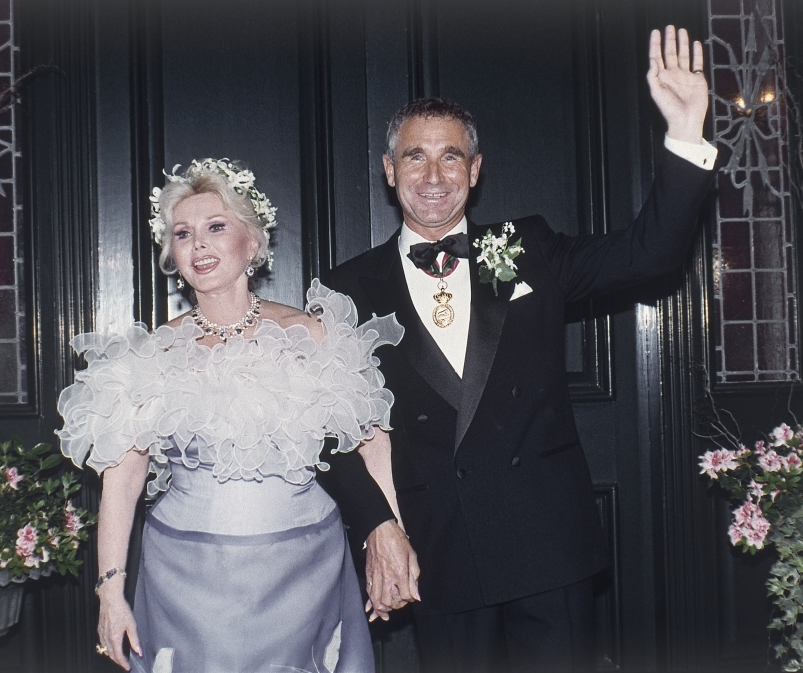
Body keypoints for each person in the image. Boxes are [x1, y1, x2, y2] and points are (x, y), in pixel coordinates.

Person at [318, 26, 718, 672]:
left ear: (475, 171)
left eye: (451, 157)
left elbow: (653, 251)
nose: (433, 174)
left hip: (547, 548)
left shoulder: (529, 247)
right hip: (437, 553)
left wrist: (686, 131)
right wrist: (377, 526)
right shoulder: (346, 289)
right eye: (415, 157)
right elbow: (326, 433)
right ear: (389, 171)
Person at [56, 158, 402, 673]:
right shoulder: (152, 353)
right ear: (170, 253)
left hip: (305, 573)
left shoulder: (314, 336)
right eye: (183, 233)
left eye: (216, 227)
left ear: (253, 242)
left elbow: (371, 440)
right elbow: (123, 478)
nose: (199, 245)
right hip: (184, 583)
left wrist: (389, 538)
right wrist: (110, 590)